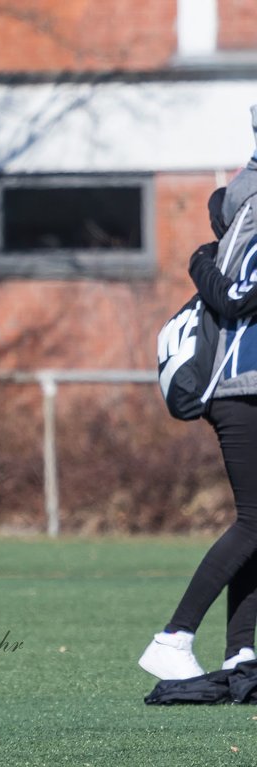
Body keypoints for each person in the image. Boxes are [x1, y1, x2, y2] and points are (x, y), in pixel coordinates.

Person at [140, 133, 257, 680]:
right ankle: (173, 637)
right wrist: (199, 260)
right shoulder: (245, 236)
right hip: (242, 390)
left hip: (246, 389)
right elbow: (234, 297)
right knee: (256, 522)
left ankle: (241, 652)